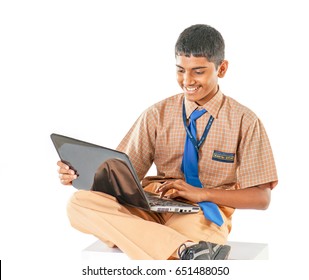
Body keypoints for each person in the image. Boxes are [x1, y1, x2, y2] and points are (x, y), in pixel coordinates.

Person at [57, 24, 278, 260]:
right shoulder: (157, 114)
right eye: (181, 70)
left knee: (202, 238)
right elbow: (119, 176)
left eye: (198, 71)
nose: (187, 80)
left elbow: (261, 199)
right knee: (79, 204)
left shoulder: (245, 121)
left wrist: (201, 194)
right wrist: (81, 175)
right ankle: (183, 249)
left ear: (221, 69)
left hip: (201, 212)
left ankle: (143, 238)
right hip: (151, 205)